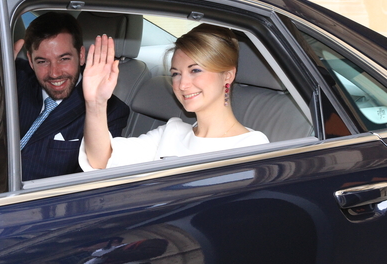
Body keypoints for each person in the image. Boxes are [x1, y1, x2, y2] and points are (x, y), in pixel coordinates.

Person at [79, 23, 269, 170]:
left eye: (195, 70)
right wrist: (96, 103)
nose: (182, 84)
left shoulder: (251, 147)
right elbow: (101, 160)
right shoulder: (172, 132)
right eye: (176, 73)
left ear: (227, 75)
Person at [14, 12, 129, 180]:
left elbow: (97, 171)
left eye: (64, 59)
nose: (54, 73)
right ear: (31, 61)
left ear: (81, 56)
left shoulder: (110, 110)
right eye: (42, 61)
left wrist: (95, 104)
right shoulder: (15, 79)